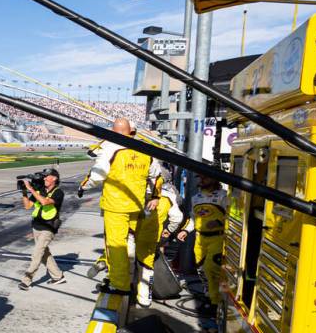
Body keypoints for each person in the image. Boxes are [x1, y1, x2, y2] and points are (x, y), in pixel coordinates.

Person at [78, 118, 162, 294]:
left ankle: (119, 283)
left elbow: (98, 175)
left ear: (113, 131)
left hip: (115, 205)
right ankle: (127, 276)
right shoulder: (145, 149)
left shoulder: (110, 147)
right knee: (129, 243)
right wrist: (154, 196)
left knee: (116, 245)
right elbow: (155, 175)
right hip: (137, 205)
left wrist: (83, 185)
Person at [133, 165, 185, 306]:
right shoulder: (169, 196)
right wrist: (166, 233)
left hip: (131, 234)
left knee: (127, 263)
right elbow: (177, 218)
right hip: (152, 237)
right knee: (147, 267)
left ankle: (125, 289)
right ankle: (145, 298)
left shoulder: (137, 190)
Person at [176, 173, 227, 314]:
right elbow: (192, 218)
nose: (202, 179)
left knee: (211, 269)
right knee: (202, 271)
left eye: (206, 177)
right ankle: (208, 296)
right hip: (200, 239)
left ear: (215, 179)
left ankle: (215, 303)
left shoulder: (224, 196)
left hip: (217, 238)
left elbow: (232, 216)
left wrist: (218, 222)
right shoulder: (195, 198)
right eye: (200, 177)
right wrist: (185, 231)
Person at [18, 167, 66, 290]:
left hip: (48, 228)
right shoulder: (39, 191)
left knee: (37, 254)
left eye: (46, 176)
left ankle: (27, 280)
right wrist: (24, 192)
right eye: (43, 176)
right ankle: (58, 276)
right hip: (36, 226)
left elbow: (45, 202)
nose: (44, 178)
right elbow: (28, 206)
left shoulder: (58, 192)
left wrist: (32, 189)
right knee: (44, 253)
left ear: (54, 178)